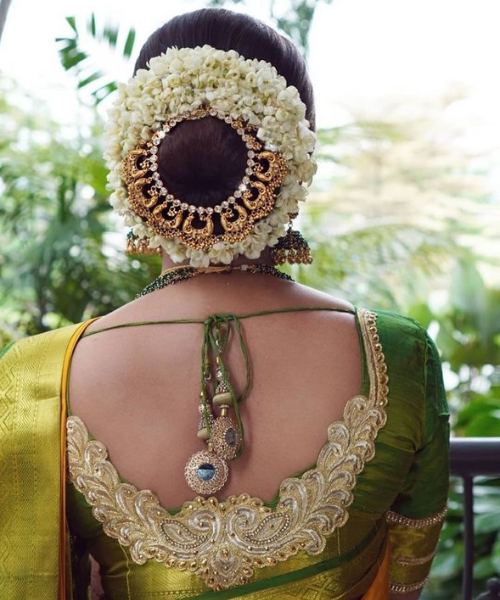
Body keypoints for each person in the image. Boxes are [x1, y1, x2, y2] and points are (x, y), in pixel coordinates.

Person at [0, 8, 449, 600]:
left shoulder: (34, 378)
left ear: (136, 161)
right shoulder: (397, 356)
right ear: (295, 164)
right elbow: (403, 584)